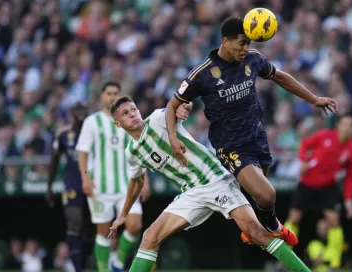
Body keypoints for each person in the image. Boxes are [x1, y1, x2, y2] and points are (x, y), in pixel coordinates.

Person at [165, 17, 337, 246]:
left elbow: (279, 76)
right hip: (231, 147)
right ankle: (274, 227)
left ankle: (250, 227)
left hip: (258, 136)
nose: (245, 49)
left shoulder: (253, 59)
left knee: (260, 195)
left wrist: (313, 99)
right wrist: (173, 138)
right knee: (268, 195)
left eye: (248, 43)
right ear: (225, 41)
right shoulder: (203, 73)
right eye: (241, 43)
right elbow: (172, 105)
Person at [108, 96, 312, 272]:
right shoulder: (132, 152)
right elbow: (137, 180)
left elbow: (175, 105)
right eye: (125, 113)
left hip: (215, 178)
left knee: (256, 232)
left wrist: (183, 107)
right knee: (150, 236)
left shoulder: (158, 119)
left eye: (133, 109)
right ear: (118, 124)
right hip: (191, 192)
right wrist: (124, 214)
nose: (133, 114)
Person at [75, 82, 149, 272]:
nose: (112, 96)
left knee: (134, 225)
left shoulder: (128, 119)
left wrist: (145, 181)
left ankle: (117, 263)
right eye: (108, 93)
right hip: (100, 187)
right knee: (105, 233)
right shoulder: (92, 122)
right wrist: (85, 179)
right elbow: (82, 152)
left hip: (127, 185)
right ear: (102, 97)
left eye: (115, 93)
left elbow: (140, 151)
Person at [284, 114, 352, 269]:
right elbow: (304, 144)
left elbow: (350, 178)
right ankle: (284, 260)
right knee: (294, 218)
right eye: (345, 124)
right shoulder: (325, 136)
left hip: (328, 187)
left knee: (334, 221)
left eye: (350, 125)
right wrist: (303, 160)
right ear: (338, 126)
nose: (347, 128)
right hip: (307, 183)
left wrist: (349, 201)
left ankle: (333, 263)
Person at [47, 102, 89, 272]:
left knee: (92, 229)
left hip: (94, 185)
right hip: (72, 185)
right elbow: (54, 161)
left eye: (83, 111)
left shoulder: (95, 133)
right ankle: (77, 268)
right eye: (76, 111)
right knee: (74, 222)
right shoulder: (64, 135)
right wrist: (49, 187)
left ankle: (91, 263)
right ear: (71, 113)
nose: (80, 114)